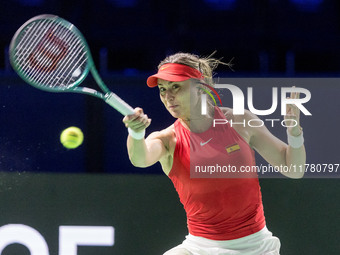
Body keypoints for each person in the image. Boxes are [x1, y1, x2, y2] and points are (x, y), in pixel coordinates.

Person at [123, 52, 306, 255]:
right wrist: (136, 133)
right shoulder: (168, 140)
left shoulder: (240, 121)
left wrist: (294, 133)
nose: (168, 96)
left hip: (255, 247)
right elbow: (140, 158)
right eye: (162, 89)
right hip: (199, 247)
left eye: (176, 87)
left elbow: (293, 169)